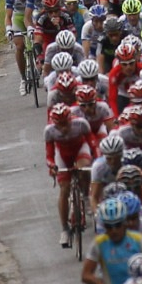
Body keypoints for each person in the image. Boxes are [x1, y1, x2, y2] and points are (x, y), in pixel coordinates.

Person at [46, 102, 95, 247]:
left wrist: (96, 161)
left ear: (71, 119)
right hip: (62, 155)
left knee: (83, 168)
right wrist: (52, 166)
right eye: (59, 125)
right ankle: (65, 229)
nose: (63, 128)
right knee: (64, 188)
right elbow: (49, 155)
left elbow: (92, 144)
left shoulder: (81, 124)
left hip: (80, 149)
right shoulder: (50, 130)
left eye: (65, 123)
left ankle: (86, 197)